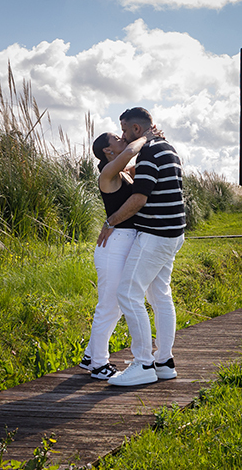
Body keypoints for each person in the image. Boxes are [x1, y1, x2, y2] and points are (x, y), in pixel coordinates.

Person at [99, 107, 186, 387]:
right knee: (160, 294)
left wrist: (110, 222)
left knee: (128, 293)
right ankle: (164, 361)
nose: (123, 136)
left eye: (124, 130)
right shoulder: (167, 148)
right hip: (174, 233)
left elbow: (139, 198)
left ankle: (143, 365)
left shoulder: (150, 151)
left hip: (156, 234)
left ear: (136, 129)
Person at [78, 130, 150, 380]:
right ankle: (99, 365)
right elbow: (131, 151)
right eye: (116, 140)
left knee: (116, 306)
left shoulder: (122, 174)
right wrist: (144, 137)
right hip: (114, 246)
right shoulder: (107, 174)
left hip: (123, 243)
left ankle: (90, 355)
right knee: (108, 307)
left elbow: (135, 163)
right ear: (108, 151)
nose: (122, 139)